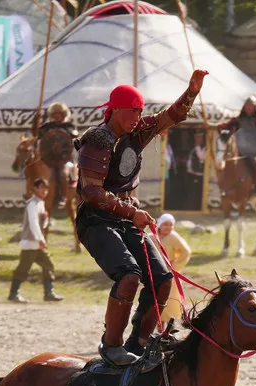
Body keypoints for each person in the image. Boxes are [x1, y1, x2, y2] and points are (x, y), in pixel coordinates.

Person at [75, 71, 207, 366]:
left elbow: (169, 117)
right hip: (95, 220)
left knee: (162, 279)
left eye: (140, 111)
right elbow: (92, 192)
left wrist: (192, 92)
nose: (138, 116)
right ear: (117, 109)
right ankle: (111, 345)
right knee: (129, 274)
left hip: (125, 217)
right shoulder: (96, 140)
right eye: (133, 111)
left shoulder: (137, 132)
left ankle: (141, 342)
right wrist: (131, 211)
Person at [9, 178, 64, 303]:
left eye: (46, 188)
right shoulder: (32, 204)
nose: (44, 191)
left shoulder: (40, 203)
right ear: (35, 188)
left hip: (37, 244)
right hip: (30, 243)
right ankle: (14, 294)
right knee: (23, 269)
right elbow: (33, 223)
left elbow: (42, 225)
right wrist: (40, 239)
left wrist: (45, 219)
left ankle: (49, 293)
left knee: (48, 264)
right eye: (42, 188)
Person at [218, 96, 256, 196]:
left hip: (255, 147)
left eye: (251, 106)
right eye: (247, 106)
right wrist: (222, 126)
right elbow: (228, 125)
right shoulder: (239, 118)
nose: (249, 108)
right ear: (244, 107)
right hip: (240, 147)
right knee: (228, 161)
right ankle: (227, 186)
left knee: (253, 162)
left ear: (254, 107)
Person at [186, 131, 206, 206]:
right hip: (191, 174)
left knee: (196, 193)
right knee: (191, 192)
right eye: (196, 137)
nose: (197, 139)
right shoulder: (193, 147)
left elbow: (202, 157)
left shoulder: (204, 148)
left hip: (199, 174)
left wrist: (197, 147)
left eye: (199, 137)